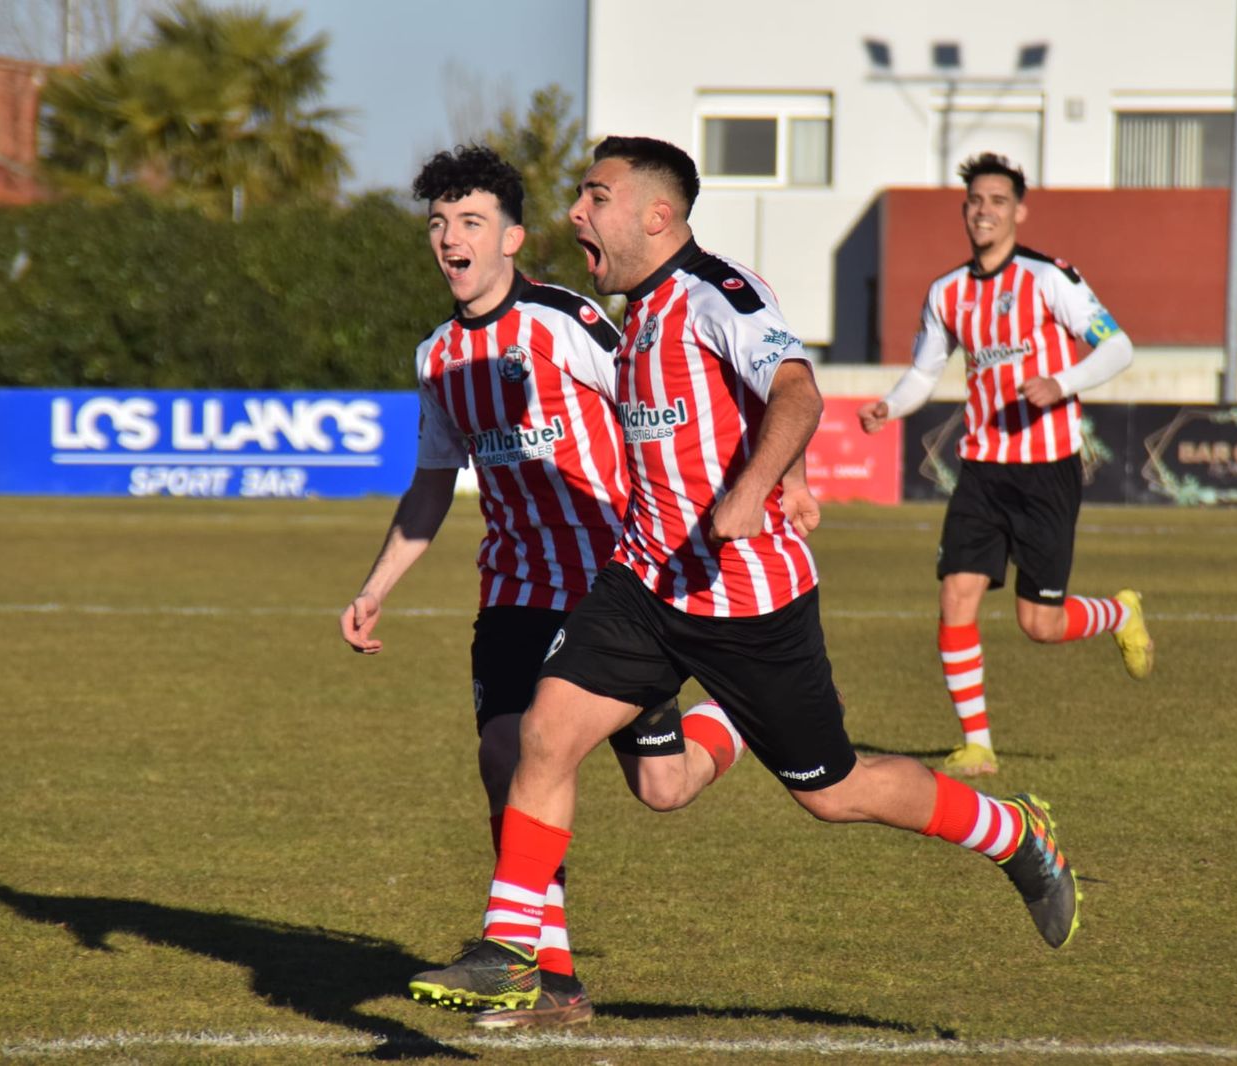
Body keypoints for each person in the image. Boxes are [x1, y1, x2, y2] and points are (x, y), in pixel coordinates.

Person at [406, 136, 1082, 1016]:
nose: (577, 214)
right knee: (544, 735)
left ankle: (1013, 830)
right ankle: (512, 951)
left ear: (656, 215)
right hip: (644, 585)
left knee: (833, 793)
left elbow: (797, 389)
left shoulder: (718, 293)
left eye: (594, 197)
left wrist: (760, 486)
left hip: (747, 600)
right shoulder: (635, 313)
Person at [341, 145, 757, 1029]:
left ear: (513, 238)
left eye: (471, 223)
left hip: (610, 587)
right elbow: (429, 485)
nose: (451, 239)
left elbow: (671, 397)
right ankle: (551, 979)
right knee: (508, 758)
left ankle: (736, 714)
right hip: (514, 592)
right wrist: (377, 586)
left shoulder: (571, 321)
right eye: (439, 225)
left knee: (663, 789)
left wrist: (758, 476)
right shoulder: (437, 356)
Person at [858, 152, 1155, 778]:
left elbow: (1119, 346)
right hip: (983, 470)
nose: (984, 210)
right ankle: (977, 745)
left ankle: (1119, 612)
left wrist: (1063, 382)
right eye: (975, 201)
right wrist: (890, 405)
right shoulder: (947, 292)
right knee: (955, 594)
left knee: (1039, 624)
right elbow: (924, 372)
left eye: (997, 200)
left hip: (1046, 468)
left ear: (1019, 211)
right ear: (965, 212)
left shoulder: (1049, 278)